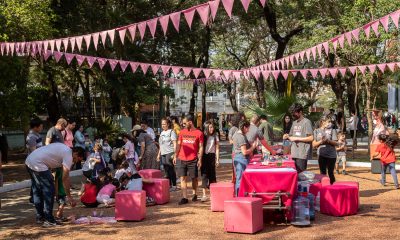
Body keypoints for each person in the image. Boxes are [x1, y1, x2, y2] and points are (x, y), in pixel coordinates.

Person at [25, 143, 84, 226]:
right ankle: (49, 219)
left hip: (29, 161)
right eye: (78, 159)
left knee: (37, 190)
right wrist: (69, 197)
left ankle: (40, 217)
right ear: (76, 153)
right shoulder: (68, 155)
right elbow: (65, 178)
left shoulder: (65, 149)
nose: (76, 161)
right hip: (38, 163)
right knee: (49, 190)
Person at [175, 114, 204, 205]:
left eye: (184, 123)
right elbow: (179, 145)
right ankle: (185, 197)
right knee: (182, 178)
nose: (183, 125)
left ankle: (195, 194)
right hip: (181, 158)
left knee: (194, 178)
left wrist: (200, 159)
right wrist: (175, 156)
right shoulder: (182, 132)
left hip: (193, 159)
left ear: (190, 122)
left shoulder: (199, 133)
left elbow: (201, 147)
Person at [283, 103, 314, 172]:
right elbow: (291, 136)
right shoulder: (294, 122)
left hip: (302, 154)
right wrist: (287, 136)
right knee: (294, 174)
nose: (293, 115)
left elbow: (311, 138)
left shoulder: (306, 122)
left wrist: (297, 138)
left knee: (300, 175)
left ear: (300, 112)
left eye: (294, 113)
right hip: (294, 153)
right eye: (292, 113)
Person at [232, 120, 258, 195]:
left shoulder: (238, 135)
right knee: (240, 179)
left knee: (241, 178)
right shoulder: (241, 137)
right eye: (248, 128)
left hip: (239, 158)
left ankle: (240, 194)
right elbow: (244, 152)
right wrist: (253, 147)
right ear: (244, 127)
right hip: (241, 159)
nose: (248, 130)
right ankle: (240, 195)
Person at [312, 116, 338, 184]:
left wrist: (328, 141)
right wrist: (321, 141)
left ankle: (332, 188)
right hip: (321, 155)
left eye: (330, 122)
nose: (330, 123)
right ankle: (323, 188)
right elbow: (314, 144)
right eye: (328, 122)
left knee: (330, 173)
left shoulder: (333, 130)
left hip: (331, 155)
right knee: (322, 173)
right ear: (323, 122)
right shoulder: (316, 131)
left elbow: (336, 143)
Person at [201, 121, 220, 202]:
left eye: (212, 127)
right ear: (206, 128)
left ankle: (213, 194)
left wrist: (217, 159)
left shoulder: (215, 136)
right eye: (210, 127)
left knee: (212, 175)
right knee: (204, 175)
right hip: (204, 156)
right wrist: (199, 159)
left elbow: (217, 148)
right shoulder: (203, 136)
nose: (211, 129)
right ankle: (204, 195)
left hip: (212, 156)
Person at [157, 118, 178, 191]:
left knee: (171, 169)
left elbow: (175, 143)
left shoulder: (171, 132)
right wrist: (158, 154)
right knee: (166, 170)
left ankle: (174, 185)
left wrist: (175, 154)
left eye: (164, 124)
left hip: (170, 152)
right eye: (162, 124)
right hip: (163, 153)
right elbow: (161, 144)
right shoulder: (162, 133)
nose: (163, 125)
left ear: (168, 124)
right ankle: (169, 185)